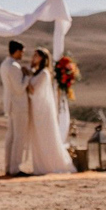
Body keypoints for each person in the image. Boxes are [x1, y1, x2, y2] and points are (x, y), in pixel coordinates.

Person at [27, 47, 77, 175]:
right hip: (36, 109)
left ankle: (51, 164)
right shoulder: (36, 72)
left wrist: (25, 79)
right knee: (38, 137)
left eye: (36, 55)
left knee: (46, 137)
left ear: (42, 58)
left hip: (42, 110)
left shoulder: (44, 73)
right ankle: (41, 164)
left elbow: (33, 89)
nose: (34, 58)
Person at [0, 40, 32, 176]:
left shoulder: (4, 64)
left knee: (11, 137)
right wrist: (27, 77)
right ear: (17, 51)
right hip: (18, 105)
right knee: (19, 137)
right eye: (22, 52)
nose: (22, 55)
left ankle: (9, 166)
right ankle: (15, 168)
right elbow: (19, 88)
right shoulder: (13, 66)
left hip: (11, 104)